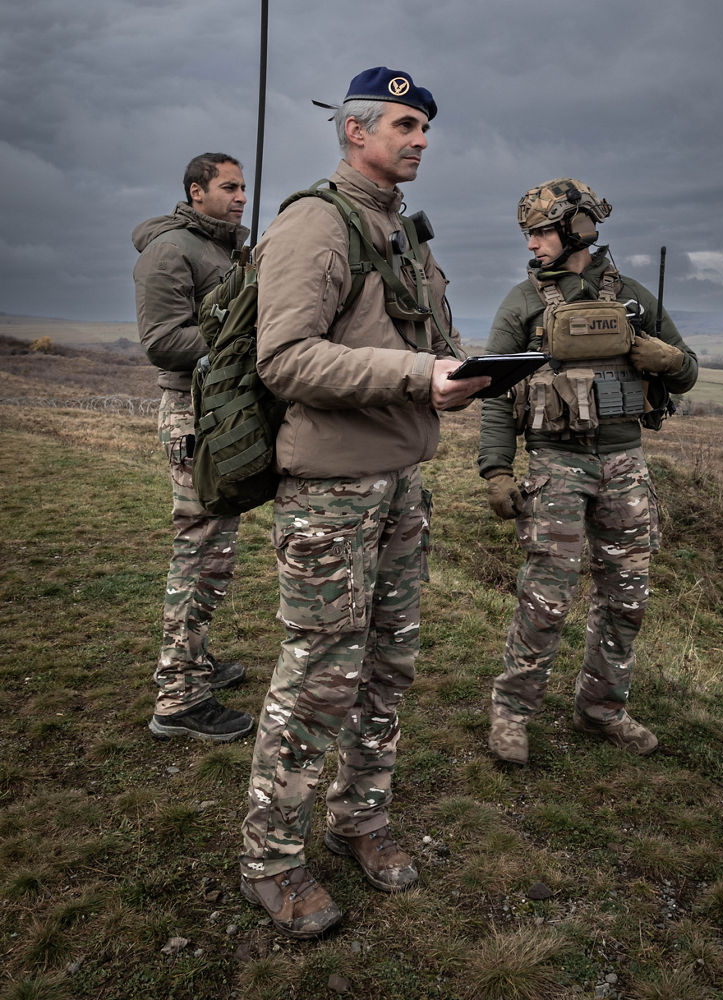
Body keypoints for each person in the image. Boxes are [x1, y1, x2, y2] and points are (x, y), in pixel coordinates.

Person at [239, 66, 488, 939]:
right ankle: (271, 859)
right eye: (405, 124)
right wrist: (420, 376)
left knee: (388, 667)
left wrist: (472, 371)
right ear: (356, 131)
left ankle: (359, 817)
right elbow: (287, 359)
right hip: (330, 492)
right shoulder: (316, 221)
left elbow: (425, 339)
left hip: (400, 483)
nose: (421, 138)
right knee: (319, 676)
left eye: (425, 127)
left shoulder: (402, 230)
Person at [479, 178, 698, 764]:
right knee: (545, 599)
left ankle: (602, 709)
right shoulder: (522, 305)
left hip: (625, 465)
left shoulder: (631, 296)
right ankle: (512, 715)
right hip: (555, 465)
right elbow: (497, 394)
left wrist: (670, 360)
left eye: (541, 232)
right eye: (527, 234)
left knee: (626, 598)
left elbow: (687, 370)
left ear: (577, 228)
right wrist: (497, 471)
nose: (532, 245)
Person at [133, 153, 255, 743]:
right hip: (191, 414)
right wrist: (239, 338)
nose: (240, 197)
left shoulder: (230, 249)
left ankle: (196, 661)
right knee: (201, 552)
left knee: (216, 549)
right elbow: (161, 341)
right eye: (228, 188)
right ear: (196, 190)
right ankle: (177, 698)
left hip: (223, 410)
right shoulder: (171, 250)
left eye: (243, 188)